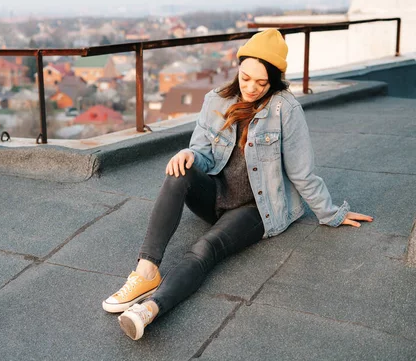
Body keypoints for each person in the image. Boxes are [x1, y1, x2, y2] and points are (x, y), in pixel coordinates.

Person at [102, 29, 373, 341]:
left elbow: (302, 173)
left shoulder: (285, 109)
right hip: (216, 196)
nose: (251, 88)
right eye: (246, 78)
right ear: (239, 68)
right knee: (178, 171)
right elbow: (202, 153)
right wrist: (188, 153)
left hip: (254, 208)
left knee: (204, 249)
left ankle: (150, 309)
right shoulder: (217, 100)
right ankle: (147, 271)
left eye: (261, 83)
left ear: (274, 81)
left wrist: (331, 214)